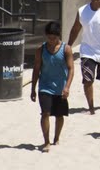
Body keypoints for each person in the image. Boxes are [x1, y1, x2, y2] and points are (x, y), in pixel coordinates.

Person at [29, 20, 74, 152]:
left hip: (60, 87)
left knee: (59, 115)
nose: (51, 40)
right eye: (49, 37)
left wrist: (67, 87)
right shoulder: (41, 50)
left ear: (58, 36)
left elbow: (71, 69)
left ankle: (56, 137)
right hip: (45, 86)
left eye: (54, 38)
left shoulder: (66, 49)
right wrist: (33, 89)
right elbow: (36, 69)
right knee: (45, 113)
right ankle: (46, 141)